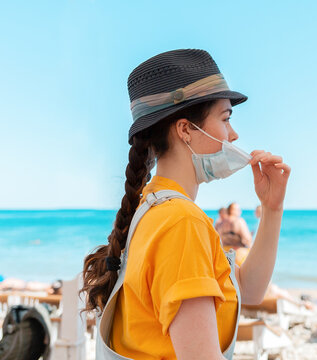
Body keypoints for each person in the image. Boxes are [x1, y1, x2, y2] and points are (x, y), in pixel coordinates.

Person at [81, 49, 290, 360]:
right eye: (225, 118)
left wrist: (272, 209)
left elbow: (248, 290)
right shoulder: (181, 222)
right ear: (186, 130)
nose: (233, 135)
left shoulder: (151, 209)